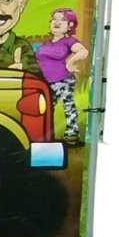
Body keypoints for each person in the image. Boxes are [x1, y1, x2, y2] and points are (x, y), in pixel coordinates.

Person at [36, 8, 90, 147]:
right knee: (46, 108)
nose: (57, 22)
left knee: (68, 106)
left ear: (70, 25)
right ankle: (47, 135)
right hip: (45, 82)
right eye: (54, 19)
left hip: (62, 80)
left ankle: (72, 134)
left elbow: (83, 51)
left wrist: (71, 62)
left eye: (63, 20)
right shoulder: (46, 43)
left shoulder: (69, 41)